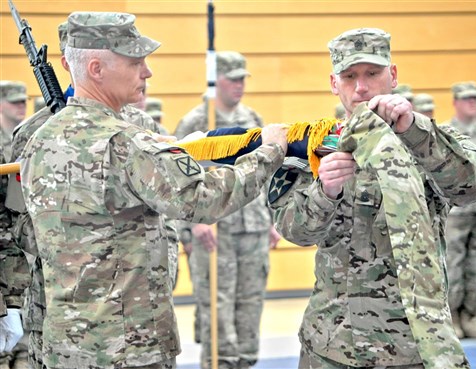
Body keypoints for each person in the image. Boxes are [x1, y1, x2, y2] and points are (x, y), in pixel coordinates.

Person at [19, 12, 288, 369]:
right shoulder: (126, 142)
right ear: (96, 68)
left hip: (66, 345)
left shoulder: (39, 140)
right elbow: (203, 198)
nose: (147, 72)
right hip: (129, 347)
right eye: (134, 62)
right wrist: (269, 152)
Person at [268, 28, 476, 368]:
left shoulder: (429, 138)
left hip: (412, 345)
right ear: (333, 83)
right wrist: (324, 191)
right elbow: (295, 231)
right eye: (349, 76)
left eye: (372, 73)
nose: (361, 87)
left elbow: (472, 187)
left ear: (393, 75)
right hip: (333, 344)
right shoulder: (313, 145)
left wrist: (413, 129)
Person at [174, 51, 282, 369]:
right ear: (215, 81)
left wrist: (274, 219)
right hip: (214, 233)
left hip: (253, 229)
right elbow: (177, 181)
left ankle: (246, 362)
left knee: (250, 305)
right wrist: (190, 226)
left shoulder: (254, 121)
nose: (239, 86)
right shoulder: (196, 123)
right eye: (232, 79)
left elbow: (269, 172)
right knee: (217, 311)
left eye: (242, 79)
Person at [441, 81, 476, 339]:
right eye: (466, 99)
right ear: (455, 102)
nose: (472, 102)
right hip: (457, 212)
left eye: (474, 98)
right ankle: (452, 317)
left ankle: (472, 316)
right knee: (454, 266)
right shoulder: (446, 132)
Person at [0, 80, 29, 369]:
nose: (21, 106)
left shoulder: (26, 137)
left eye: (24, 101)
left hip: (19, 255)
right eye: (14, 101)